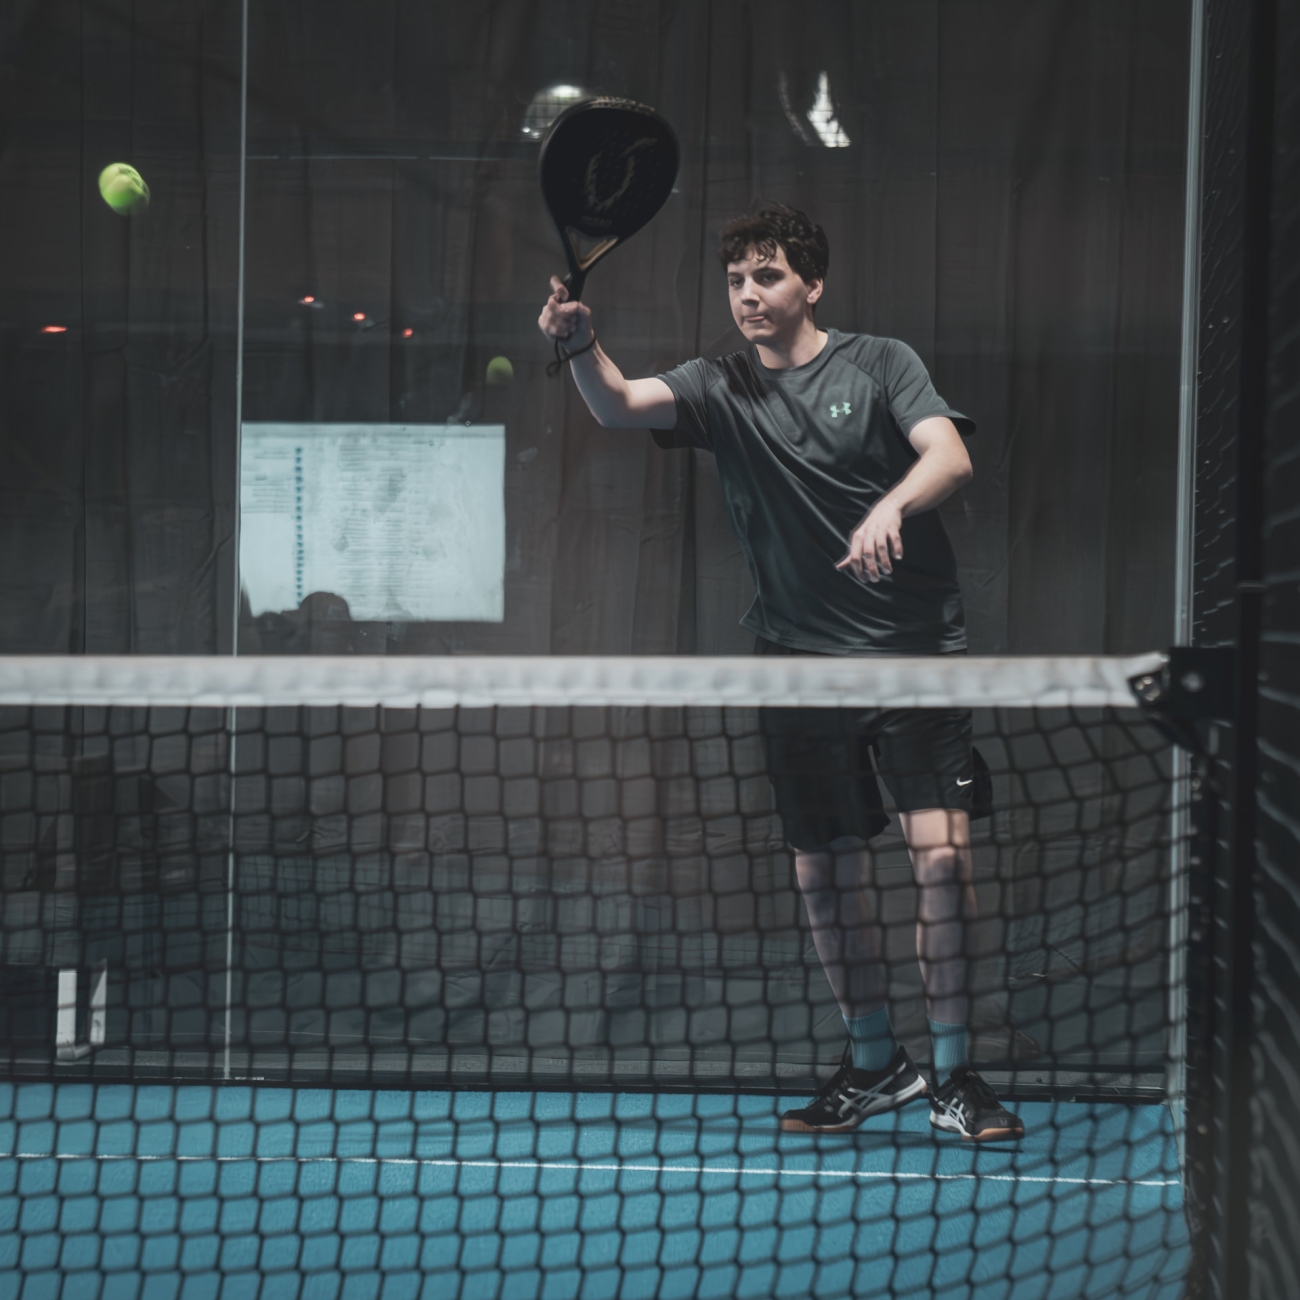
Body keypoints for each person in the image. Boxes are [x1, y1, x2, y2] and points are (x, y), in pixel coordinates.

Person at [536, 203, 1023, 1142]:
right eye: (736, 280)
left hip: (913, 662)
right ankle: (875, 1064)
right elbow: (617, 404)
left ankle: (956, 1074)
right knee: (822, 876)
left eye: (767, 276)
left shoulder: (880, 363)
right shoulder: (717, 384)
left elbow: (950, 455)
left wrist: (892, 507)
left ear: (812, 284)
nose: (748, 295)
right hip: (798, 668)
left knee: (942, 864)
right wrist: (579, 342)